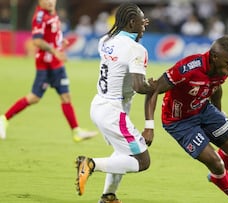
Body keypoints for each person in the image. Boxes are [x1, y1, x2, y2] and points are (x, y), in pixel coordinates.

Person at [146, 35, 228, 203]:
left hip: (202, 109)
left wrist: (220, 113)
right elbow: (154, 89)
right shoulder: (188, 68)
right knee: (215, 162)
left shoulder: (221, 69)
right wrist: (149, 126)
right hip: (178, 121)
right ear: (215, 57)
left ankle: (218, 177)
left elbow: (216, 88)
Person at [74, 3, 155, 203]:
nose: (145, 24)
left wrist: (136, 28)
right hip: (113, 111)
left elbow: (121, 54)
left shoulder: (106, 40)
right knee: (142, 161)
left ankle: (108, 196)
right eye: (141, 21)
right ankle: (90, 164)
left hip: (99, 105)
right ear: (131, 22)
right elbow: (139, 86)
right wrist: (158, 85)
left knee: (122, 152)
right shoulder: (137, 50)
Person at [0, 0, 97, 142]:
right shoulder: (40, 16)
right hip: (45, 64)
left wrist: (60, 43)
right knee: (34, 97)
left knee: (66, 96)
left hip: (56, 64)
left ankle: (76, 131)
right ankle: (4, 118)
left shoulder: (52, 12)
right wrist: (54, 51)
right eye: (47, 0)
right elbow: (37, 41)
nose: (50, 2)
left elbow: (52, 35)